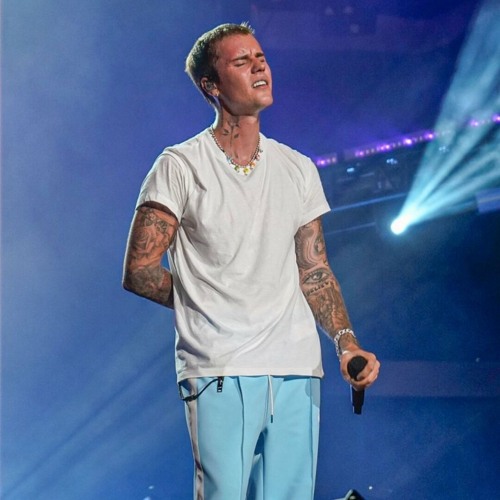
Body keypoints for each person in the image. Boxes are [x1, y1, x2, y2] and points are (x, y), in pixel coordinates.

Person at [122, 22, 380, 500]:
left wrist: (346, 343)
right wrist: (209, 303)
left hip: (296, 367)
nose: (259, 66)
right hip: (220, 367)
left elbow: (315, 271)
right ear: (212, 86)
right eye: (242, 61)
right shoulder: (180, 166)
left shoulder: (297, 168)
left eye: (260, 57)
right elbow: (139, 271)